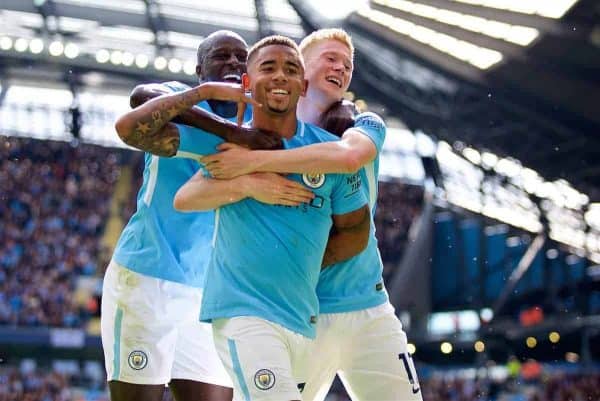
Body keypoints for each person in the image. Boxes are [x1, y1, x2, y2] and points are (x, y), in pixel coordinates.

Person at [200, 28, 423, 401]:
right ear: (302, 71)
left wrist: (253, 162)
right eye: (331, 58)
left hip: (367, 306)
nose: (341, 68)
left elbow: (347, 157)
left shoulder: (364, 126)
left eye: (348, 65)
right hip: (298, 311)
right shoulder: (259, 130)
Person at [102, 30, 300, 401]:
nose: (233, 64)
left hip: (207, 294)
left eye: (242, 58)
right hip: (146, 279)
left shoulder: (263, 128)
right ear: (199, 70)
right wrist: (223, 122)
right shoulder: (178, 103)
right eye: (221, 56)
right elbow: (140, 97)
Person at [172, 35, 371, 401]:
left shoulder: (326, 150)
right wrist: (247, 185)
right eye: (268, 68)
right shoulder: (236, 143)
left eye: (291, 69)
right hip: (243, 314)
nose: (280, 76)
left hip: (302, 320)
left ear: (303, 85)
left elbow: (357, 229)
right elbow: (185, 198)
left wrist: (312, 265)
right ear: (247, 83)